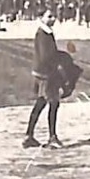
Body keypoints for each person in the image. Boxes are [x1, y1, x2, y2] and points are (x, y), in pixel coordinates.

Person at [23, 9, 63, 149]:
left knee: (41, 103)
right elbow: (46, 56)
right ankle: (52, 137)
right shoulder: (42, 34)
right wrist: (58, 64)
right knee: (53, 104)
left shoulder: (46, 32)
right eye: (49, 16)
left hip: (42, 73)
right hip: (46, 75)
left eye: (54, 16)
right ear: (41, 17)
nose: (53, 19)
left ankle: (29, 135)